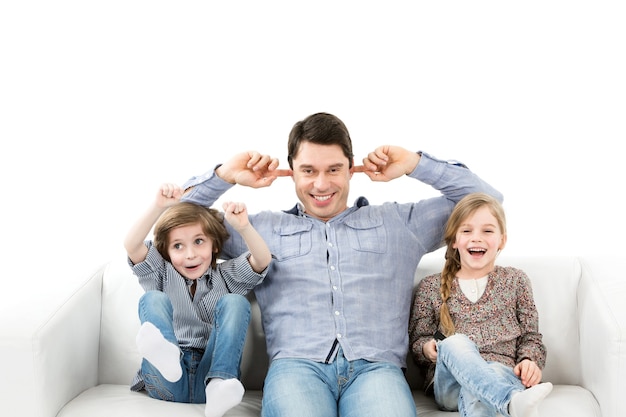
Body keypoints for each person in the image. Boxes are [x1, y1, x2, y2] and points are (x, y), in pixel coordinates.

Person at [180, 112, 503, 417]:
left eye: (333, 169)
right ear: (291, 171)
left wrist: (415, 164)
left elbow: (487, 200)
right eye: (308, 170)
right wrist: (225, 176)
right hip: (295, 368)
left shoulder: (397, 224)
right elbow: (174, 222)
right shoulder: (258, 230)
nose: (321, 184)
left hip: (377, 369)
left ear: (351, 168)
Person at [124, 183, 272, 417]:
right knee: (152, 298)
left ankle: (219, 382)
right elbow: (132, 244)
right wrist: (157, 207)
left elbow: (262, 260)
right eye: (178, 246)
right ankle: (166, 353)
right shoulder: (160, 272)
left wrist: (244, 227)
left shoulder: (225, 276)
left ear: (214, 245)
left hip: (209, 379)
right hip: (166, 382)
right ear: (167, 251)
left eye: (199, 242)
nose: (190, 254)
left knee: (235, 302)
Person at [408, 192, 552, 417]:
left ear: (501, 240)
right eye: (467, 231)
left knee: (482, 387)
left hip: (501, 373)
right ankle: (510, 402)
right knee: (455, 342)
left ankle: (504, 400)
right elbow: (418, 341)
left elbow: (531, 337)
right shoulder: (430, 287)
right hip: (450, 383)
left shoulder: (516, 281)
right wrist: (428, 349)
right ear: (454, 240)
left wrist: (529, 361)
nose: (476, 238)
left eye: (487, 231)